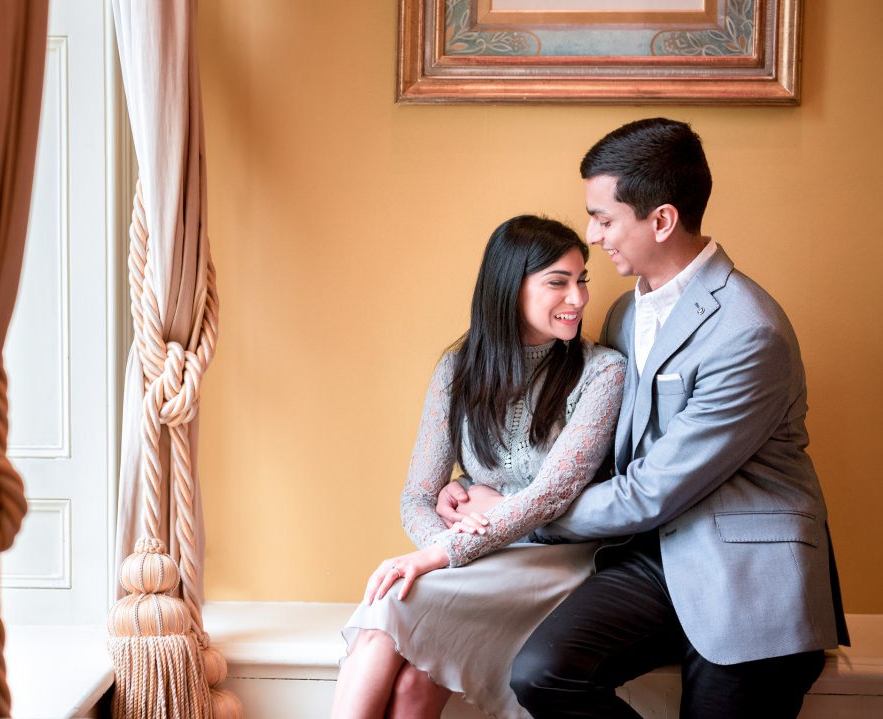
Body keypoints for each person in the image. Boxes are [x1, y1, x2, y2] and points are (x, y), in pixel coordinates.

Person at [447, 117, 848, 718]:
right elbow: (589, 451)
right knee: (541, 674)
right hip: (650, 559)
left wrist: (510, 516)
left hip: (746, 577)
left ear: (661, 219)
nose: (592, 235)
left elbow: (650, 492)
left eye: (604, 219)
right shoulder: (621, 316)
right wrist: (480, 488)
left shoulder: (749, 332)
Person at [331, 215, 627, 719]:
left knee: (390, 604)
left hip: (555, 564)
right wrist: (453, 542)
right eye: (558, 282)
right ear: (508, 288)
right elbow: (418, 497)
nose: (577, 299)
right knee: (410, 686)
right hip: (476, 560)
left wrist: (445, 552)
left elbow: (552, 494)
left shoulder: (603, 372)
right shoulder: (457, 369)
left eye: (582, 281)